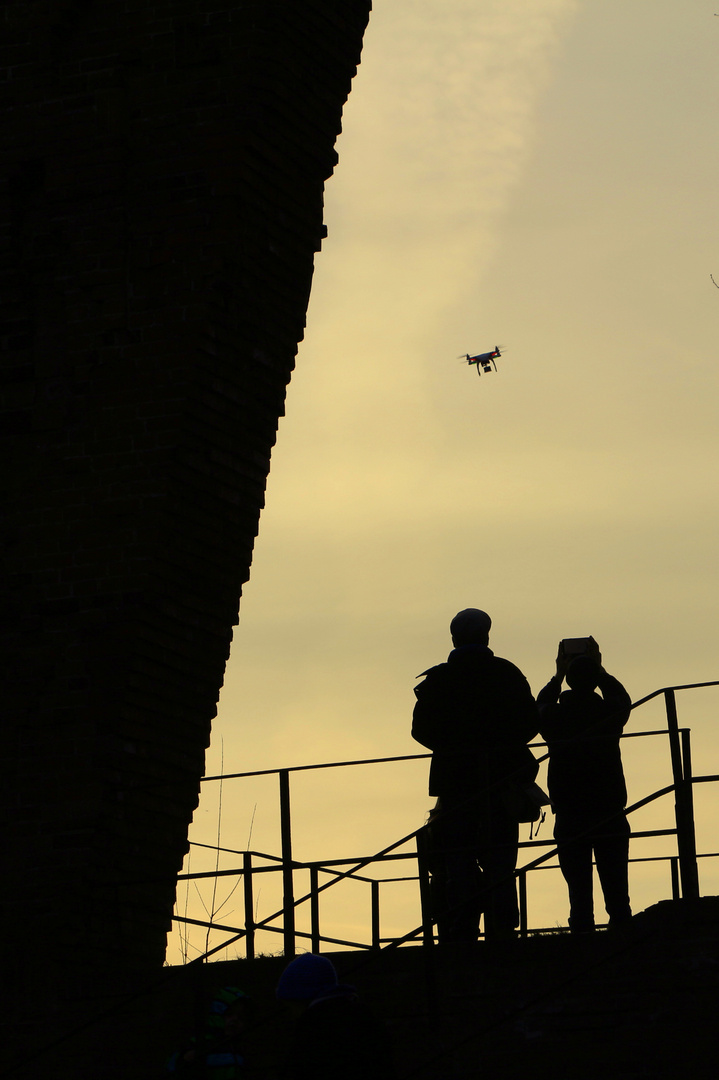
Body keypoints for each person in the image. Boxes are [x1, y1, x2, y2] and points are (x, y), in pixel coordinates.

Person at [412, 608, 539, 943]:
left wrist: (455, 747)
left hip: (454, 785)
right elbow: (530, 723)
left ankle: (462, 928)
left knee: (458, 861)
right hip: (502, 782)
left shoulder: (439, 680)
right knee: (500, 862)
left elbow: (420, 730)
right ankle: (503, 928)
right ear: (487, 635)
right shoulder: (507, 674)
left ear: (454, 637)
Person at [537, 645, 633, 933]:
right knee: (616, 883)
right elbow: (622, 699)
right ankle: (622, 929)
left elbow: (539, 707)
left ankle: (581, 932)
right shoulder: (607, 713)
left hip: (569, 810)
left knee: (577, 888)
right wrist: (600, 670)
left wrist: (557, 675)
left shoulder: (555, 717)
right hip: (609, 807)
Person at [275, 953, 394, 1080]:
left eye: (290, 1006)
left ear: (298, 999)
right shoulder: (365, 1020)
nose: (292, 1015)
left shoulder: (315, 1032)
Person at [166, 985, 252, 1078]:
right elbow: (172, 1067)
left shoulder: (241, 1048)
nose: (235, 1020)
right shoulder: (199, 1043)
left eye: (241, 1017)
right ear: (217, 1014)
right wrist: (184, 1059)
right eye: (229, 1014)